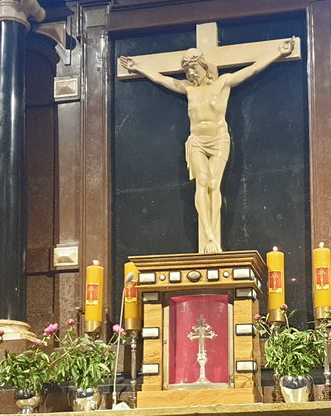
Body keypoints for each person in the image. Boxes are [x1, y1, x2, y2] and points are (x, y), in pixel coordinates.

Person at [118, 39, 294, 254]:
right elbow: (162, 79)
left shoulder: (223, 83)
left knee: (213, 185)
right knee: (201, 183)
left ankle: (213, 233)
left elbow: (253, 69)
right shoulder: (188, 89)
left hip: (218, 139)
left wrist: (278, 53)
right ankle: (209, 235)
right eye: (187, 70)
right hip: (197, 142)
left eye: (194, 68)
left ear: (203, 65)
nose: (191, 74)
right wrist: (139, 67)